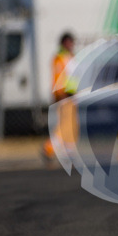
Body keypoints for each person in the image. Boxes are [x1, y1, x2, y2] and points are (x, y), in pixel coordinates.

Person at [43, 32, 75, 161]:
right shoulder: (59, 58)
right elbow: (58, 78)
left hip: (72, 96)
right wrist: (60, 94)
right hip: (63, 96)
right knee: (63, 126)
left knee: (71, 126)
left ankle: (69, 151)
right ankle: (49, 148)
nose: (70, 45)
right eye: (68, 42)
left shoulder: (70, 57)